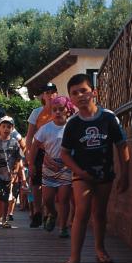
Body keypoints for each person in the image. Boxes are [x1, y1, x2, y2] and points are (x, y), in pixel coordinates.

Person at [58, 74, 130, 263]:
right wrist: (78, 170)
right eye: (75, 93)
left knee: (100, 213)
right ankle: (74, 258)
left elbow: (122, 145)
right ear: (70, 99)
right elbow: (64, 154)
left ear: (94, 92)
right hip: (82, 173)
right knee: (82, 212)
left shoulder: (108, 117)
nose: (80, 95)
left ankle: (100, 249)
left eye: (84, 90)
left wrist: (125, 174)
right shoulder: (72, 124)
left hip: (105, 172)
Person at [29, 95, 75, 238]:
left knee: (64, 199)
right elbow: (35, 145)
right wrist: (31, 164)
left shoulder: (72, 128)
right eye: (54, 110)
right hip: (48, 166)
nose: (57, 112)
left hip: (66, 167)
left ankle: (63, 227)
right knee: (48, 199)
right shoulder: (46, 128)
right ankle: (53, 214)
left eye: (61, 109)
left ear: (67, 110)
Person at [25, 82, 58, 228]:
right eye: (47, 92)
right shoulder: (37, 113)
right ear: (43, 96)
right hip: (39, 151)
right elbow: (29, 135)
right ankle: (38, 212)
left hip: (56, 152)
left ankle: (49, 213)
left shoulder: (61, 110)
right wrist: (28, 153)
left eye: (52, 92)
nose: (50, 95)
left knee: (53, 184)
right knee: (36, 183)